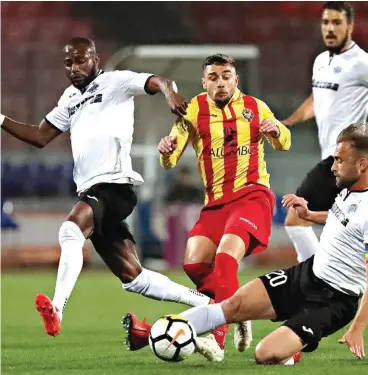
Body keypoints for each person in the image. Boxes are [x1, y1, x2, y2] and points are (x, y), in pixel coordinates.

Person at [0, 37, 213, 341]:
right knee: (133, 277)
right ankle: (207, 303)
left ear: (96, 59)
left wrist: (169, 93)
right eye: (68, 62)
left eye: (80, 60)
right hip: (93, 191)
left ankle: (57, 309)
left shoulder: (115, 82)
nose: (74, 67)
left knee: (70, 230)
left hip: (114, 186)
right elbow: (39, 136)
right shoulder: (69, 98)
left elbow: (158, 80)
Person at [146, 123, 368, 364]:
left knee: (265, 354)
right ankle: (160, 332)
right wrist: (310, 216)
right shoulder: (348, 189)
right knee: (232, 305)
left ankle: (295, 344)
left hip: (333, 301)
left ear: (362, 164)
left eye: (340, 160)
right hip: (306, 275)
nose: (333, 167)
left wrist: (357, 328)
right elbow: (345, 220)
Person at [123, 54, 291, 357]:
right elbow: (170, 159)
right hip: (215, 203)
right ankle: (238, 310)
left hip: (252, 197)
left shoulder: (255, 108)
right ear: (204, 82)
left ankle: (217, 336)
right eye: (213, 77)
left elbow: (284, 141)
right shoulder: (193, 110)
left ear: (235, 80)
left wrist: (277, 131)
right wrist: (166, 150)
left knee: (226, 260)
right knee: (195, 264)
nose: (220, 82)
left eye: (226, 76)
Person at [281, 1, 368, 286]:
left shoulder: (363, 62)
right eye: (325, 23)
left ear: (350, 27)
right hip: (333, 159)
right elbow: (317, 101)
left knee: (296, 220)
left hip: (345, 158)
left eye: (336, 23)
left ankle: (316, 285)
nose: (330, 28)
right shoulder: (321, 61)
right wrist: (290, 122)